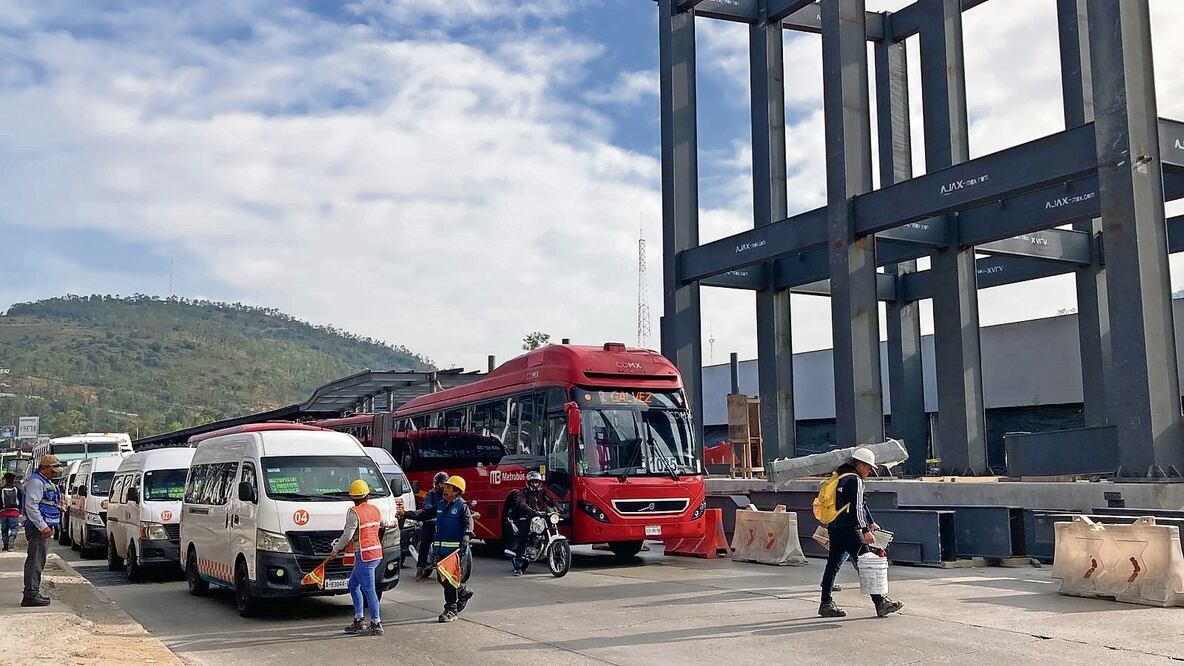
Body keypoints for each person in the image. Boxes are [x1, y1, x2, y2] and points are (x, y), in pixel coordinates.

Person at [818, 447, 903, 619]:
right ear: (860, 465)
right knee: (867, 563)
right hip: (850, 529)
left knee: (832, 564)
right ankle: (881, 603)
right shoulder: (855, 480)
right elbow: (857, 508)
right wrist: (865, 530)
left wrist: (871, 522)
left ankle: (825, 603)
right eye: (869, 468)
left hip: (835, 526)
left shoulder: (840, 478)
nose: (870, 471)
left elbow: (859, 505)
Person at [398, 475, 474, 623]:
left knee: (449, 580)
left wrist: (465, 540)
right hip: (440, 551)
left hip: (453, 552)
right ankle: (463, 592)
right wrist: (406, 514)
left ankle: (451, 610)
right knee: (442, 578)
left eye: (448, 487)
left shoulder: (462, 506)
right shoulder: (440, 505)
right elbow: (424, 514)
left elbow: (468, 526)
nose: (444, 489)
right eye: (445, 486)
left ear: (457, 491)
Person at [329, 479, 385, 636]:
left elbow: (347, 535)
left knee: (369, 590)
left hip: (364, 555)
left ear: (352, 497)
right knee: (353, 585)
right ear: (367, 495)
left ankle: (376, 623)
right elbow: (382, 524)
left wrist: (336, 549)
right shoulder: (375, 509)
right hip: (376, 553)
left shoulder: (354, 513)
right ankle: (359, 619)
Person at [21, 454, 63, 607]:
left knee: (39, 559)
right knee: (36, 560)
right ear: (43, 468)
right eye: (53, 470)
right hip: (38, 528)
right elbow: (31, 506)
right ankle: (30, 594)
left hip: (42, 527)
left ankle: (33, 591)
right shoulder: (36, 482)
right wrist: (42, 526)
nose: (55, 473)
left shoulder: (45, 481)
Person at [506, 471, 557, 575]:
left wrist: (559, 509)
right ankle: (518, 566)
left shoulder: (543, 492)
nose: (535, 484)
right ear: (528, 483)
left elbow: (552, 501)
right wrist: (533, 512)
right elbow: (521, 504)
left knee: (552, 527)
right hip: (525, 517)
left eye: (536, 482)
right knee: (523, 536)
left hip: (540, 517)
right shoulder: (522, 493)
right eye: (532, 482)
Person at [416, 471, 449, 581]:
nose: (443, 486)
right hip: (431, 522)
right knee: (425, 542)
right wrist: (436, 508)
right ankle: (420, 568)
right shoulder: (431, 494)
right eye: (441, 484)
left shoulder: (448, 494)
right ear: (436, 484)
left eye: (445, 484)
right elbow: (426, 506)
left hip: (444, 524)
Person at [1, 473, 21, 552]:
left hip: (3, 513)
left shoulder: (1, 489)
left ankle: (6, 545)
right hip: (14, 512)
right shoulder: (17, 489)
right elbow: (21, 500)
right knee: (14, 528)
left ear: (5, 479)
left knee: (4, 530)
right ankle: (12, 536)